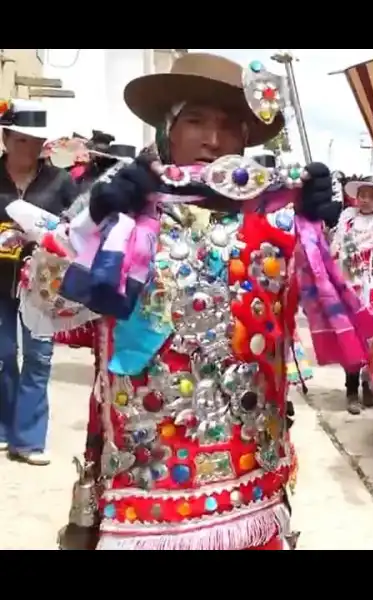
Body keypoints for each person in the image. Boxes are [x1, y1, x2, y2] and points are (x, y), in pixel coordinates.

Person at [10, 52, 349, 550]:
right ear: (167, 131)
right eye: (196, 121)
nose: (214, 140)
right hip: (146, 492)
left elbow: (346, 309)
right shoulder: (122, 219)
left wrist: (324, 225)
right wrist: (94, 217)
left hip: (250, 488)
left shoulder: (274, 227)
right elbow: (47, 303)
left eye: (229, 126)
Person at [0, 98, 78, 466]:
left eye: (34, 141)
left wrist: (52, 234)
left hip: (43, 281)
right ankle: (4, 428)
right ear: (6, 138)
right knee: (1, 357)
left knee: (38, 357)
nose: (27, 148)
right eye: (20, 140)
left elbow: (79, 227)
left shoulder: (60, 182)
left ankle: (29, 440)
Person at [331, 175, 373, 414]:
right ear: (356, 197)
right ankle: (351, 390)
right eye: (363, 195)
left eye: (372, 196)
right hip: (350, 286)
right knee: (350, 338)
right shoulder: (347, 221)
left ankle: (368, 384)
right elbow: (336, 251)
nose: (366, 200)